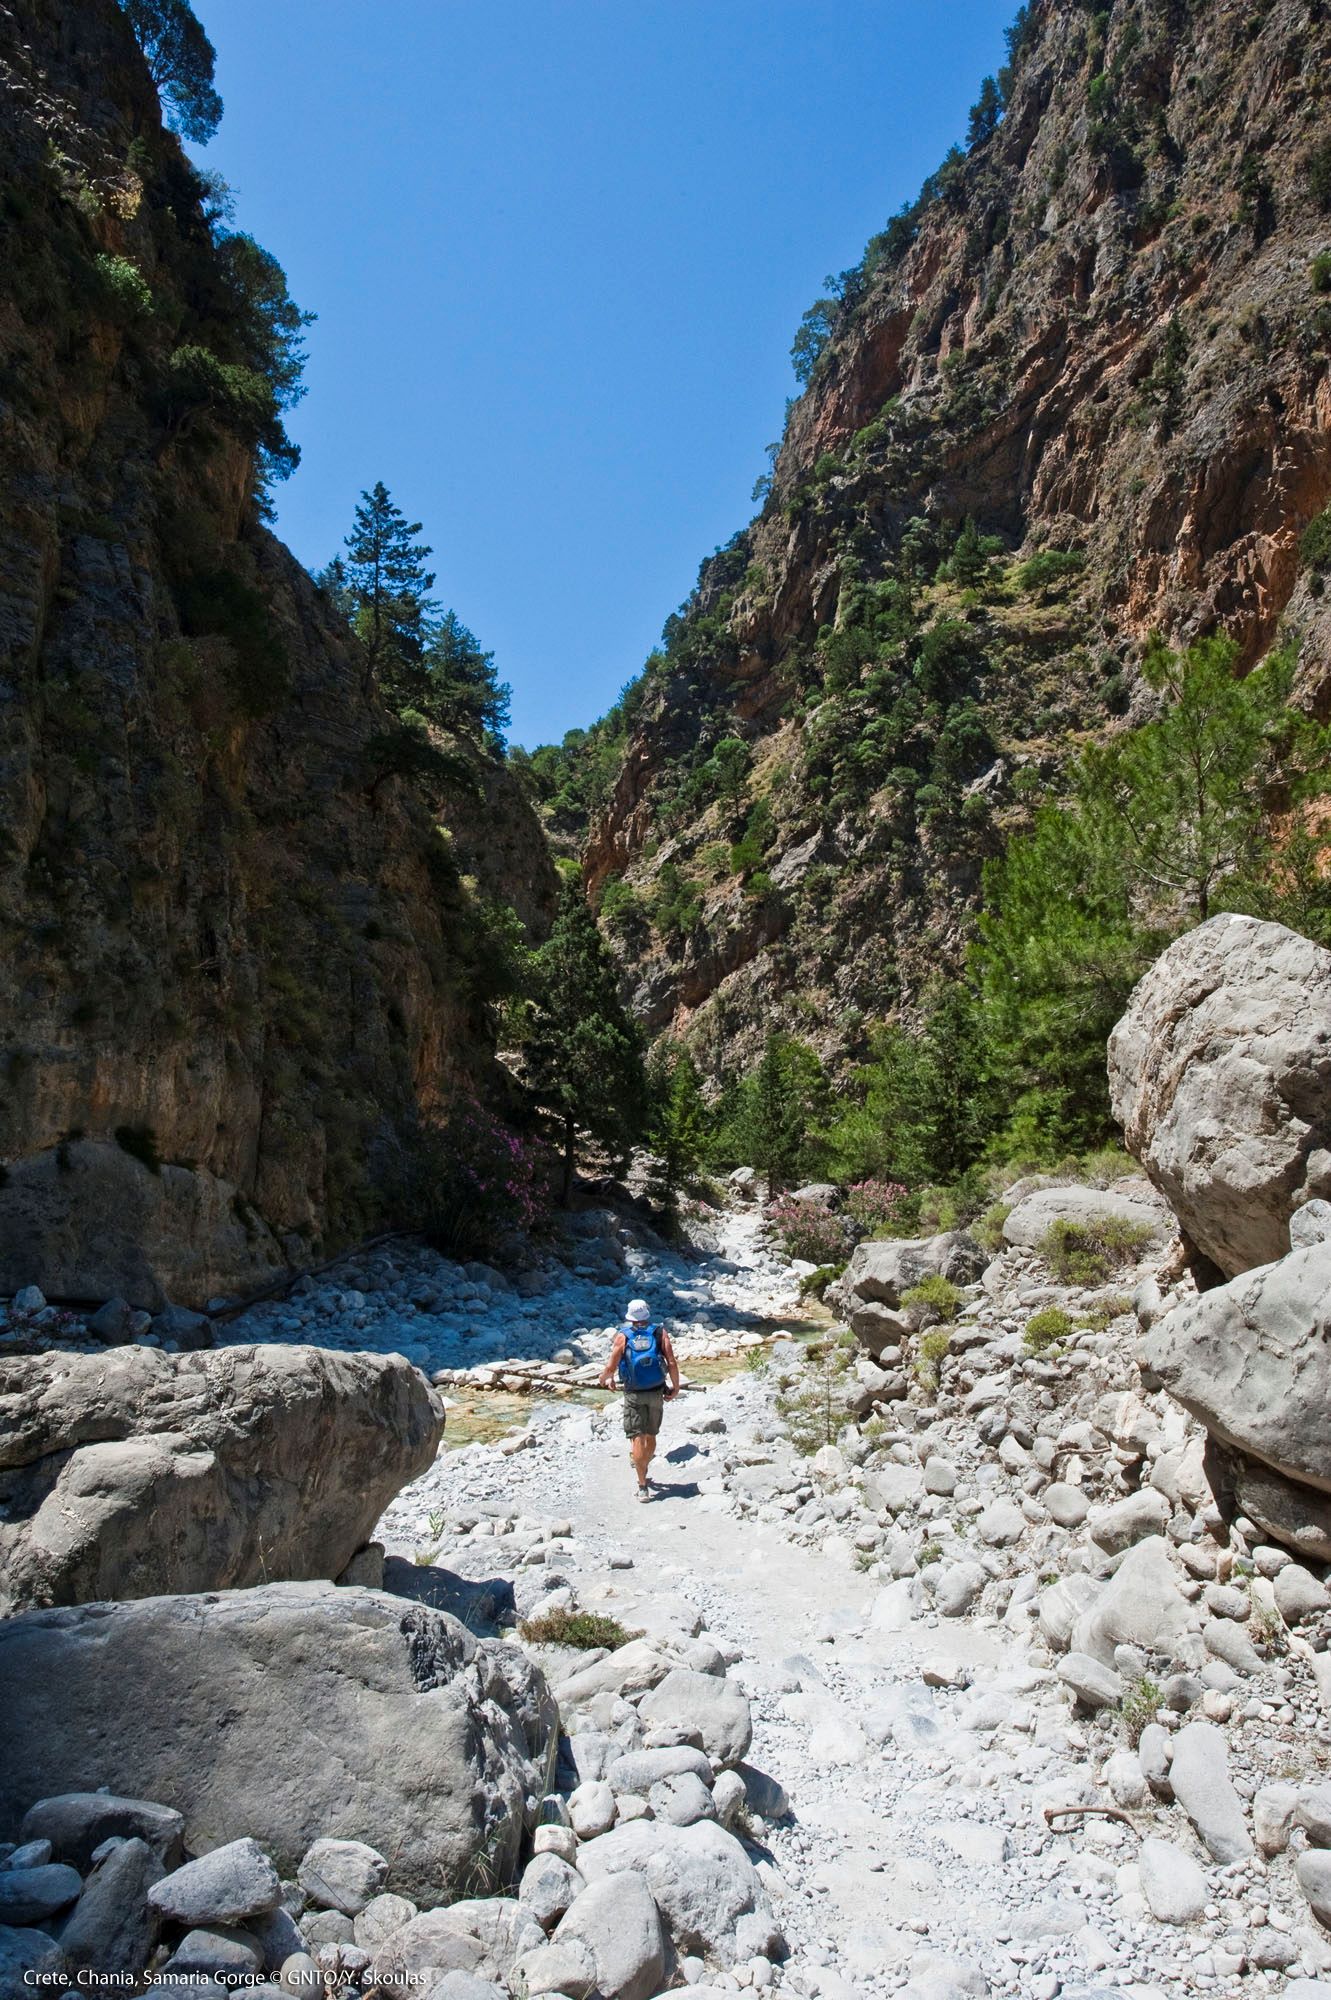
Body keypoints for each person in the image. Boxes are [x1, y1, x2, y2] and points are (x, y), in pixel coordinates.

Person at [599, 1297, 680, 1500]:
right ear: (647, 1314)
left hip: (634, 1393)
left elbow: (611, 1366)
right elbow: (671, 1361)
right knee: (651, 1435)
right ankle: (644, 1462)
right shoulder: (660, 1333)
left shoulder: (623, 1336)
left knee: (637, 1436)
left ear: (630, 1317)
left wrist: (604, 1379)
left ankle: (642, 1485)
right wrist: (676, 1387)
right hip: (656, 1391)